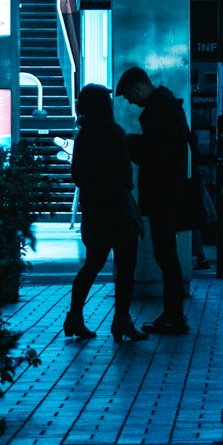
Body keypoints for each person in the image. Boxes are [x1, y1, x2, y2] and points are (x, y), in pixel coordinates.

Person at [65, 84, 146, 343]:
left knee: (93, 264)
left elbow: (76, 174)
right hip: (118, 209)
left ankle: (74, 316)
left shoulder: (84, 135)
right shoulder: (114, 133)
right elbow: (126, 174)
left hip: (94, 210)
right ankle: (121, 319)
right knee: (125, 266)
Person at [115, 65, 190, 335]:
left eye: (129, 96)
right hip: (171, 191)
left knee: (165, 254)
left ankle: (174, 316)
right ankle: (173, 314)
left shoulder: (159, 111)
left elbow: (155, 155)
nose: (131, 102)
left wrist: (129, 143)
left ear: (138, 87)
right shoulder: (170, 106)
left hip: (163, 193)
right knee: (166, 254)